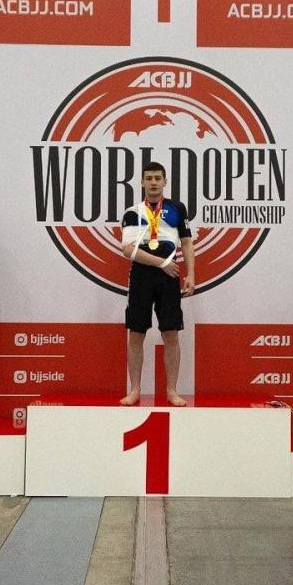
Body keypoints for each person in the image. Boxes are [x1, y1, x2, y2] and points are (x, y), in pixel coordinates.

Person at [119, 162, 195, 407]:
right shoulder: (132, 212)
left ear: (165, 181)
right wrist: (161, 263)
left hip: (169, 276)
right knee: (136, 333)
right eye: (149, 178)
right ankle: (135, 390)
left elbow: (187, 243)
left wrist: (191, 274)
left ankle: (172, 390)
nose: (153, 182)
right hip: (142, 275)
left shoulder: (177, 209)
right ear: (142, 182)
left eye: (157, 178)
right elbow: (128, 250)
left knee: (171, 332)